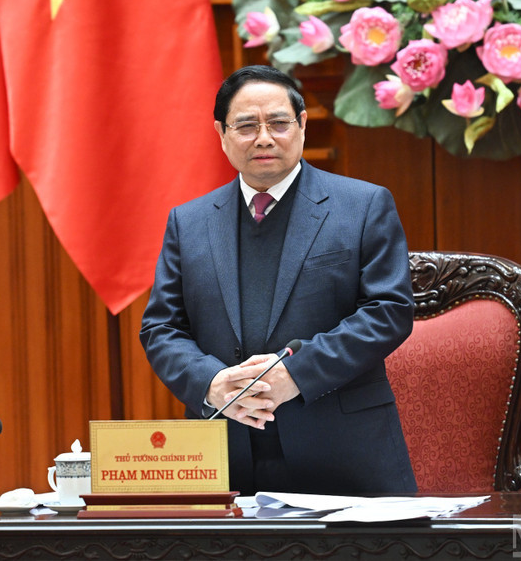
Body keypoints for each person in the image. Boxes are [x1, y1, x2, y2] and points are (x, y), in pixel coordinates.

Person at [140, 65, 416, 496]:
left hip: (345, 459)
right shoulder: (188, 222)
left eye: (279, 123)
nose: (264, 138)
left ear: (302, 125)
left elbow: (389, 312)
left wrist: (296, 373)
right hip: (223, 459)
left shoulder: (363, 206)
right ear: (222, 133)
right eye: (246, 126)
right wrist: (212, 384)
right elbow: (161, 328)